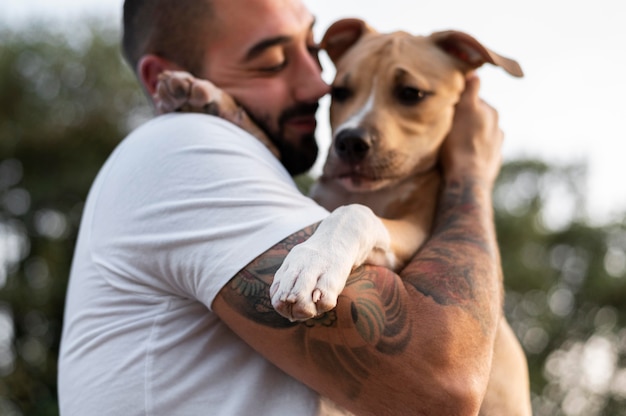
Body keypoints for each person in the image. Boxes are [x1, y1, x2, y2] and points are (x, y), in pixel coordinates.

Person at [58, 0, 505, 414]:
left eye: (313, 51)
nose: (320, 84)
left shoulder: (275, 185)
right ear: (162, 76)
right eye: (271, 62)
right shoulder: (184, 147)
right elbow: (442, 384)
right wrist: (471, 176)